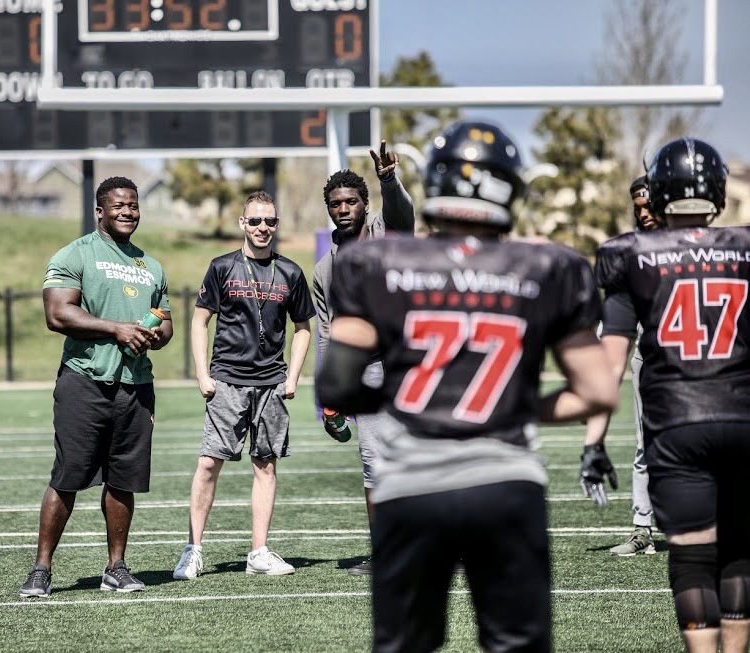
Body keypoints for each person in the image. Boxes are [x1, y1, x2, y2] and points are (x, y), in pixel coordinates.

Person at [315, 120, 619, 652]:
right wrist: (518, 405)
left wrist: (402, 401)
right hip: (505, 480)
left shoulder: (374, 263)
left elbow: (337, 382)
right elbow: (598, 390)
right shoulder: (547, 265)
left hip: (412, 483)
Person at [593, 138, 750, 653]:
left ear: (657, 194)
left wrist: (594, 442)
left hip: (677, 424)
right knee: (738, 552)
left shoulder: (631, 255)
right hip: (742, 417)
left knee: (693, 558)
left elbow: (611, 363)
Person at [19, 176, 173, 597]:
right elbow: (57, 314)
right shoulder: (76, 253)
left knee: (123, 479)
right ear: (100, 211)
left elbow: (166, 321)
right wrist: (116, 330)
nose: (128, 212)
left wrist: (153, 335)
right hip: (84, 381)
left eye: (134, 205)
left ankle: (116, 567)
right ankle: (41, 570)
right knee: (67, 476)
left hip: (136, 387)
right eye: (119, 205)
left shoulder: (151, 266)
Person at [172, 190, 315, 580]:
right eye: (255, 221)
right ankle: (193, 550)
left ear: (277, 224)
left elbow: (303, 328)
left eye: (269, 221)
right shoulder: (222, 267)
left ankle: (259, 552)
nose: (263, 228)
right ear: (242, 223)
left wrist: (293, 376)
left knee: (265, 466)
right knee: (208, 464)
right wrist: (203, 374)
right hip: (228, 381)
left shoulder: (290, 272)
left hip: (271, 384)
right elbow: (200, 321)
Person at [312, 140, 416, 576]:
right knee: (374, 463)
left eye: (351, 201)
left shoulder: (383, 231)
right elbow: (325, 333)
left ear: (364, 202)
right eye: (335, 203)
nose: (343, 208)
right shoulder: (324, 269)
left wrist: (389, 179)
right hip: (367, 371)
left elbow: (404, 217)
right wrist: (328, 397)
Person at [583, 176, 661, 556]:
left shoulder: (701, 244)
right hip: (647, 355)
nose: (643, 214)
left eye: (650, 205)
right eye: (638, 207)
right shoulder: (630, 253)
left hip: (699, 360)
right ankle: (642, 528)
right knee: (645, 444)